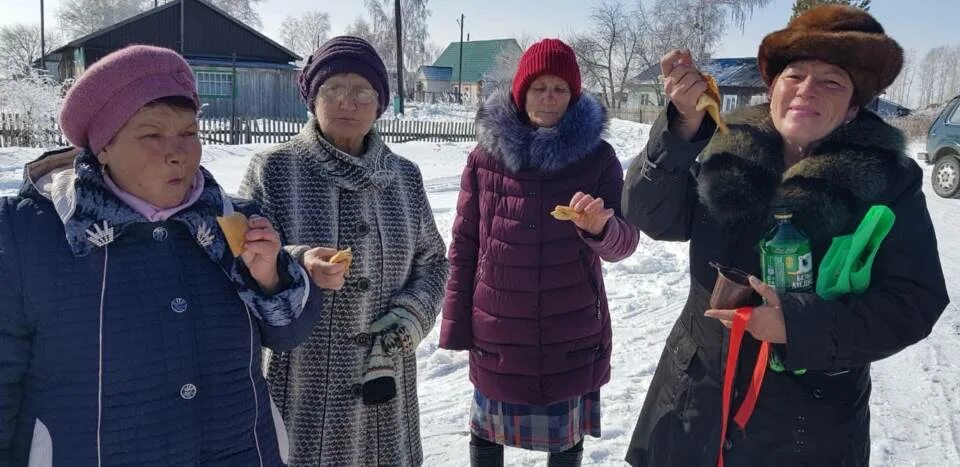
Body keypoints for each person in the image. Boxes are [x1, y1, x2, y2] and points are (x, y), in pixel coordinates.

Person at [621, 6, 949, 467]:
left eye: (831, 81)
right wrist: (679, 130)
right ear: (772, 87)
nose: (807, 90)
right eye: (794, 75)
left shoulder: (889, 180)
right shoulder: (724, 145)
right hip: (694, 404)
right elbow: (651, 215)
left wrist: (796, 324)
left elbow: (916, 300)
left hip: (806, 429)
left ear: (855, 105)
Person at [0, 45, 324, 465]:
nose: (179, 152)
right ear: (103, 147)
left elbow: (288, 334)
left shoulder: (235, 219)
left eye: (189, 133)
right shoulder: (28, 233)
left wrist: (271, 280)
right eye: (152, 134)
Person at [239, 36, 449, 466]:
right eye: (333, 89)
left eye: (362, 92)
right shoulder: (274, 169)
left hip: (385, 383)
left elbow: (433, 262)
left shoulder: (404, 176)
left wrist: (408, 319)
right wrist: (297, 265)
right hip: (303, 386)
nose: (347, 103)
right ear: (312, 98)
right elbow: (241, 259)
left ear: (380, 105)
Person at [439, 38, 640, 467]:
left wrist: (601, 228)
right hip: (497, 329)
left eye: (560, 89)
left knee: (565, 440)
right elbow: (465, 245)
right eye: (539, 88)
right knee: (486, 432)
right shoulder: (484, 158)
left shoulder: (598, 158)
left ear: (574, 95)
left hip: (570, 326)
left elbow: (626, 241)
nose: (549, 98)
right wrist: (457, 326)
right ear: (520, 92)